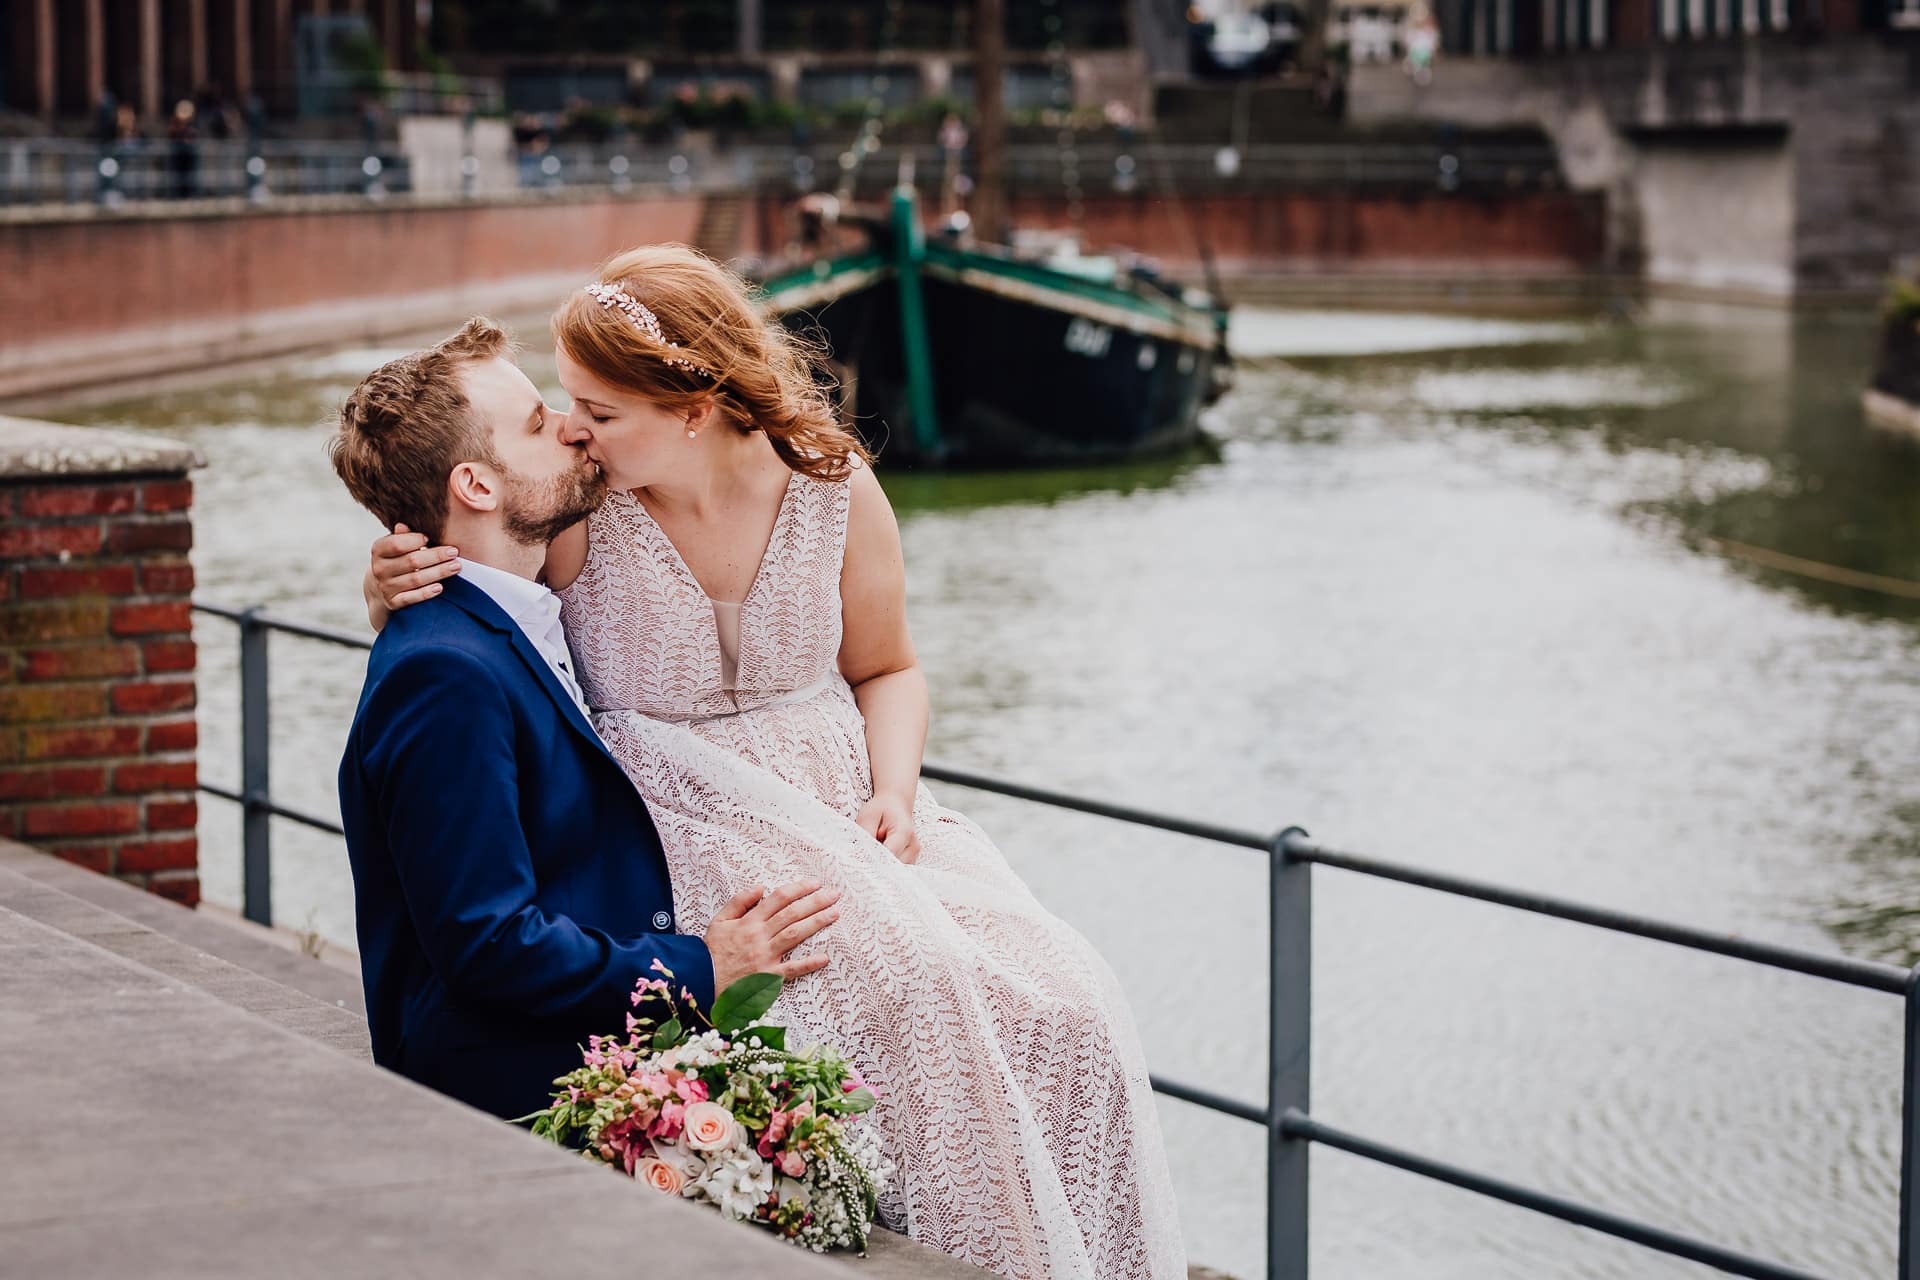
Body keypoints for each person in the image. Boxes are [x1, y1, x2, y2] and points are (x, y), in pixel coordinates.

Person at [364, 246, 1186, 1280]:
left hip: (847, 802)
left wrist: (893, 789)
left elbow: (890, 666)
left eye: (600, 410)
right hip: (684, 827)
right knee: (914, 995)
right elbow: (483, 583)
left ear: (696, 406)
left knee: (1066, 1001)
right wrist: (391, 576)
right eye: (564, 406)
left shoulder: (834, 487)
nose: (575, 429)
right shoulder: (584, 507)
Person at [328, 319, 843, 1122]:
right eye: (539, 423)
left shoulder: (518, 617)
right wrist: (703, 966)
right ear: (477, 487)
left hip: (592, 1027)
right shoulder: (444, 673)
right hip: (518, 1090)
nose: (574, 430)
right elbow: (489, 945)